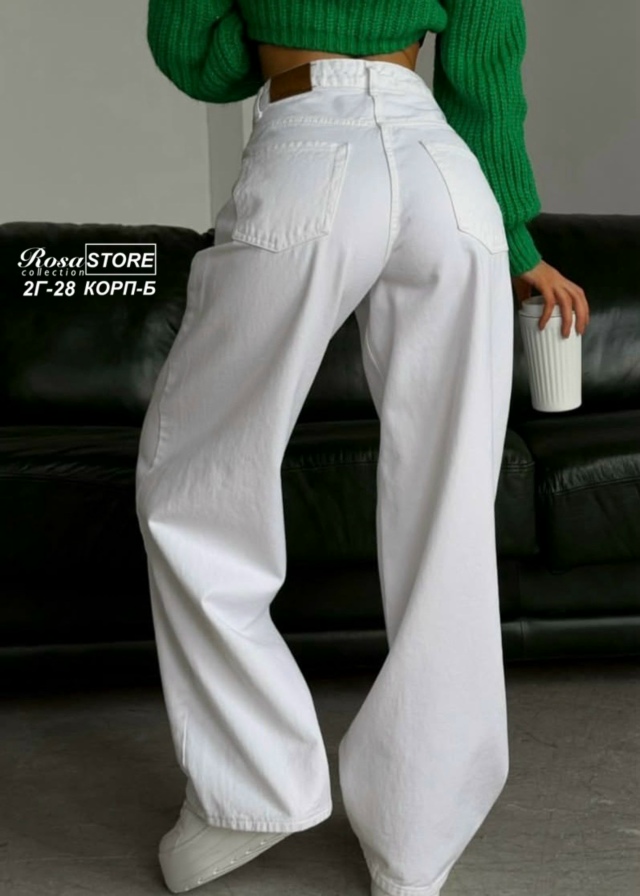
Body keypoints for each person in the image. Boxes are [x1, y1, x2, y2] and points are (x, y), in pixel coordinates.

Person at [136, 3, 590, 896]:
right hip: (444, 174)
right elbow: (485, 67)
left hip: (308, 150)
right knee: (451, 514)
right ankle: (417, 844)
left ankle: (251, 788)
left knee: (194, 484)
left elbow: (194, 55)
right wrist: (518, 239)